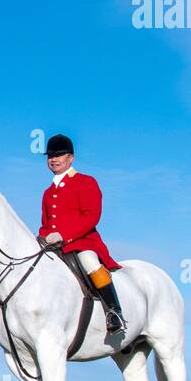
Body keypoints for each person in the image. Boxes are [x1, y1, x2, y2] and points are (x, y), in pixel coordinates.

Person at [39, 133, 125, 334]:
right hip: (54, 245)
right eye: (50, 155)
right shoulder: (47, 192)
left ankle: (114, 312)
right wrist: (42, 239)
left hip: (82, 242)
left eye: (59, 155)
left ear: (71, 158)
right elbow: (46, 224)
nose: (54, 159)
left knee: (89, 262)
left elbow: (91, 217)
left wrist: (64, 235)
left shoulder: (86, 182)